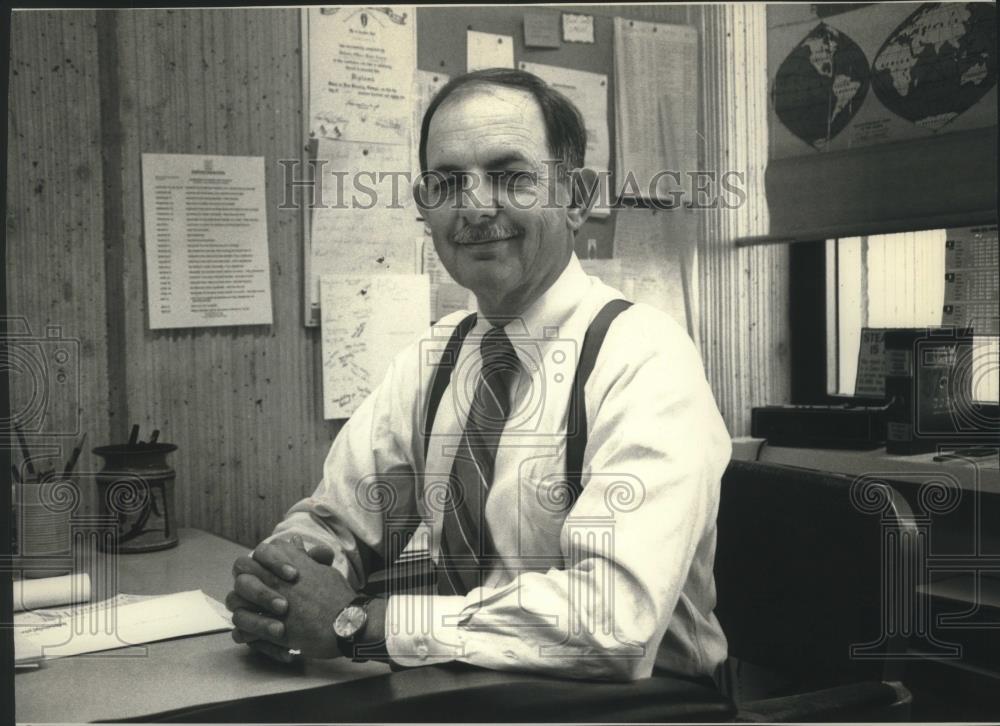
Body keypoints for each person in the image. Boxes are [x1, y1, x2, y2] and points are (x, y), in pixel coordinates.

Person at [225, 68, 731, 683]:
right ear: (424, 206)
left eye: (510, 177)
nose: (475, 207)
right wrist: (281, 587)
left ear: (575, 198)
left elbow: (615, 623)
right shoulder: (433, 358)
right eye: (448, 183)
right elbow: (336, 519)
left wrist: (363, 624)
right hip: (462, 692)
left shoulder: (646, 358)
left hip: (637, 710)